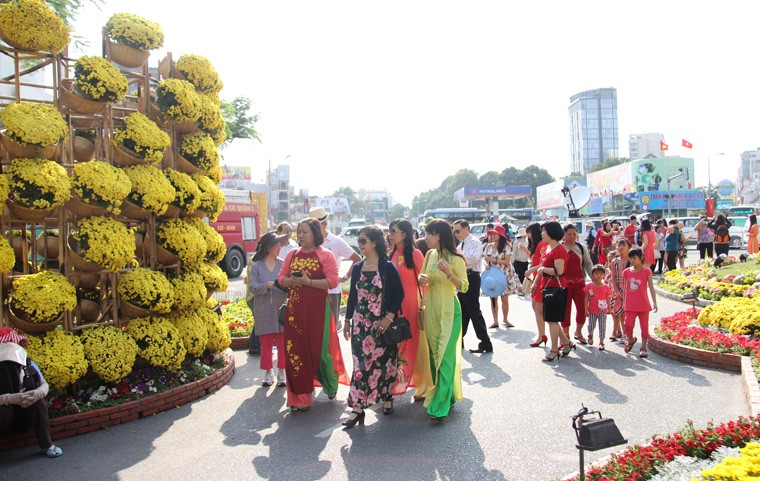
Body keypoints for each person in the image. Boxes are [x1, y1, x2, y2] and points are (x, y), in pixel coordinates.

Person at [278, 217, 349, 413]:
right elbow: (280, 278)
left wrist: (308, 282)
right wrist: (291, 281)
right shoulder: (292, 254)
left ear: (315, 234)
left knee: (319, 351)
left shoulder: (325, 255)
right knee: (295, 351)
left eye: (304, 232)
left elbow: (333, 282)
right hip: (295, 309)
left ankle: (330, 382)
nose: (300, 235)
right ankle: (299, 398)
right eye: (299, 232)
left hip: (319, 309)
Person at [341, 226, 404, 428]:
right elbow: (352, 297)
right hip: (361, 325)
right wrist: (348, 320)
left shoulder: (387, 267)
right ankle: (357, 407)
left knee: (384, 363)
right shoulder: (358, 267)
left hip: (381, 324)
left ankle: (387, 396)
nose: (359, 244)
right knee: (360, 365)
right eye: (358, 241)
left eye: (362, 241)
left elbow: (399, 294)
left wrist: (388, 318)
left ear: (374, 243)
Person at [417, 219, 466, 421]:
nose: (426, 237)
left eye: (430, 233)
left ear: (440, 235)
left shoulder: (457, 259)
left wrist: (448, 274)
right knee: (434, 355)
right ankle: (448, 394)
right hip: (431, 310)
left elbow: (463, 286)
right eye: (426, 233)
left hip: (449, 310)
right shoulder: (430, 254)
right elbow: (425, 279)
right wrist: (422, 280)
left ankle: (439, 405)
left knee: (445, 355)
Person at [387, 219, 433, 400]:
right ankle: (396, 382)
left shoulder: (414, 254)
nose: (390, 235)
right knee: (397, 345)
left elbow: (426, 280)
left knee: (415, 344)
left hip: (411, 304)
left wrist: (425, 295)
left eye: (393, 231)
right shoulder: (391, 254)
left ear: (404, 234)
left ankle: (421, 386)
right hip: (395, 306)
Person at [0, 327, 62, 458]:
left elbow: (44, 384)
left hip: (23, 414)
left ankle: (47, 445)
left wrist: (35, 395)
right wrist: (11, 399)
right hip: (4, 418)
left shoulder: (27, 363)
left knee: (38, 402)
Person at [526, 221, 574, 362]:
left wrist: (542, 270)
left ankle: (554, 350)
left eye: (544, 231)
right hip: (546, 287)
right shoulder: (547, 248)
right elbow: (542, 266)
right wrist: (535, 282)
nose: (541, 234)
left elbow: (558, 271)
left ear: (552, 232)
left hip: (556, 288)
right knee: (550, 319)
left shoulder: (559, 249)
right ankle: (566, 343)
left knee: (552, 320)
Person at [308, 207, 361, 329]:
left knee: (330, 330)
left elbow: (357, 259)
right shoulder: (308, 242)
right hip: (311, 291)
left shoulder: (336, 242)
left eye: (315, 226)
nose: (312, 230)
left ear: (325, 224)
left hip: (331, 292)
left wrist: (346, 276)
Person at [248, 231, 288, 387]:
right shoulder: (256, 266)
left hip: (280, 310)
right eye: (276, 244)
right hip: (263, 311)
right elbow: (252, 287)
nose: (279, 247)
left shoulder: (283, 264)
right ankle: (268, 372)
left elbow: (288, 285)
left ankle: (282, 372)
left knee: (283, 343)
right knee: (265, 345)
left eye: (280, 244)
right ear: (268, 247)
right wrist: (267, 285)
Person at [452, 219, 492, 353]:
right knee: (463, 311)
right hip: (463, 278)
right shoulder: (460, 245)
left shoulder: (475, 242)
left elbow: (472, 259)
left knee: (473, 310)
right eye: (454, 232)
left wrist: (458, 259)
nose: (456, 234)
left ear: (466, 229)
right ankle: (459, 339)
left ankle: (485, 341)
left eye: (458, 231)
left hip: (472, 277)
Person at [622, 246, 658, 358]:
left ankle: (643, 347)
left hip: (643, 305)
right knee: (627, 325)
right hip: (630, 305)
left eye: (634, 258)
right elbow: (624, 288)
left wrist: (655, 302)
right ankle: (631, 339)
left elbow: (651, 288)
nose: (632, 260)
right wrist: (623, 302)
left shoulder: (647, 271)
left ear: (641, 258)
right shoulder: (626, 272)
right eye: (630, 258)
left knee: (644, 326)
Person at [483, 224, 520, 328]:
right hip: (492, 275)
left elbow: (507, 262)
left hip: (504, 275)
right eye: (492, 234)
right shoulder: (489, 246)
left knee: (504, 299)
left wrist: (494, 261)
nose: (493, 236)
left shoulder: (506, 246)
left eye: (496, 234)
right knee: (493, 299)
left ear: (501, 235)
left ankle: (505, 319)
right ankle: (495, 321)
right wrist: (487, 265)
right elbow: (485, 259)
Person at [561, 223, 593, 342]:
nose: (572, 236)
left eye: (574, 234)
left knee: (582, 309)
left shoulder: (581, 247)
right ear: (563, 235)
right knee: (565, 310)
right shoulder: (559, 248)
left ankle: (578, 332)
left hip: (580, 284)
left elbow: (588, 264)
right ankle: (565, 334)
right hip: (564, 285)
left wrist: (594, 278)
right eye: (569, 234)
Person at [525, 222, 548, 347]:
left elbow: (544, 263)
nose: (528, 235)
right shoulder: (538, 244)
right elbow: (536, 259)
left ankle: (542, 335)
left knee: (539, 310)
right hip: (537, 279)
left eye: (529, 232)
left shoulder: (542, 244)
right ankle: (542, 334)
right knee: (536, 308)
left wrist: (531, 270)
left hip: (540, 279)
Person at [584, 265, 612, 351]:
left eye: (601, 274)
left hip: (602, 311)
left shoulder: (606, 287)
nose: (599, 276)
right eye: (596, 274)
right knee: (591, 325)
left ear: (604, 275)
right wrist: (585, 309)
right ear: (592, 275)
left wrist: (609, 308)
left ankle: (601, 342)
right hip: (592, 310)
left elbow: (608, 298)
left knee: (602, 326)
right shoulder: (589, 286)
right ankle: (590, 335)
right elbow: (586, 298)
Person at [608, 239, 630, 344]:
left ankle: (626, 334)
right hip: (617, 289)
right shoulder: (614, 261)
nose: (621, 247)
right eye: (619, 245)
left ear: (628, 247)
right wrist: (617, 291)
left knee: (625, 314)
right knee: (616, 312)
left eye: (623, 245)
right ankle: (614, 332)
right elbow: (613, 277)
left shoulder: (631, 260)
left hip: (629, 290)